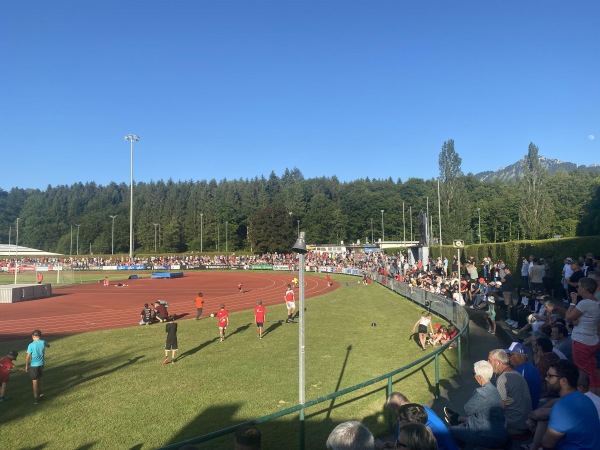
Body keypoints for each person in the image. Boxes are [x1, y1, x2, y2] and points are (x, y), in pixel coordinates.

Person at [446, 360, 508, 450]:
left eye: (473, 373)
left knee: (452, 431)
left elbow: (467, 409)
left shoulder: (481, 392)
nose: (473, 375)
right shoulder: (494, 389)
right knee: (463, 426)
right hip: (500, 432)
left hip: (489, 436)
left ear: (479, 377)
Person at [542, 360, 600, 449]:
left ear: (564, 381)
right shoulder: (585, 399)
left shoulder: (562, 408)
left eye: (550, 376)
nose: (546, 378)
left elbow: (547, 444)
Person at [378, 392, 457, 450]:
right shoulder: (421, 411)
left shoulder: (416, 429)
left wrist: (383, 447)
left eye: (393, 413)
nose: (396, 418)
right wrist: (395, 445)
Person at [565, 277, 600, 394]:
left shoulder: (584, 303)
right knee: (592, 371)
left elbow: (568, 317)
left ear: (585, 289)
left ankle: (587, 397)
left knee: (583, 372)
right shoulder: (596, 302)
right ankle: (596, 393)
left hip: (581, 342)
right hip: (592, 340)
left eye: (579, 286)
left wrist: (573, 302)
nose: (577, 288)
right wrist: (575, 320)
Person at [488, 349, 532, 435]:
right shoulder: (517, 374)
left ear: (497, 363)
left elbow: (499, 408)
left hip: (514, 425)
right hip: (524, 422)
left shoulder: (502, 379)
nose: (487, 362)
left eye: (489, 360)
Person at [506, 342, 541, 409]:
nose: (509, 358)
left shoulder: (520, 371)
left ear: (518, 356)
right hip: (531, 406)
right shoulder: (532, 368)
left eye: (511, 355)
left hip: (524, 411)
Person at [25, 329, 50, 404]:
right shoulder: (43, 342)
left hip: (34, 366)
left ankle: (36, 398)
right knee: (39, 379)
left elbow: (28, 357)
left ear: (33, 336)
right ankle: (40, 393)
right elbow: (48, 345)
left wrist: (26, 366)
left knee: (34, 382)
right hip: (41, 364)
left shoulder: (31, 345)